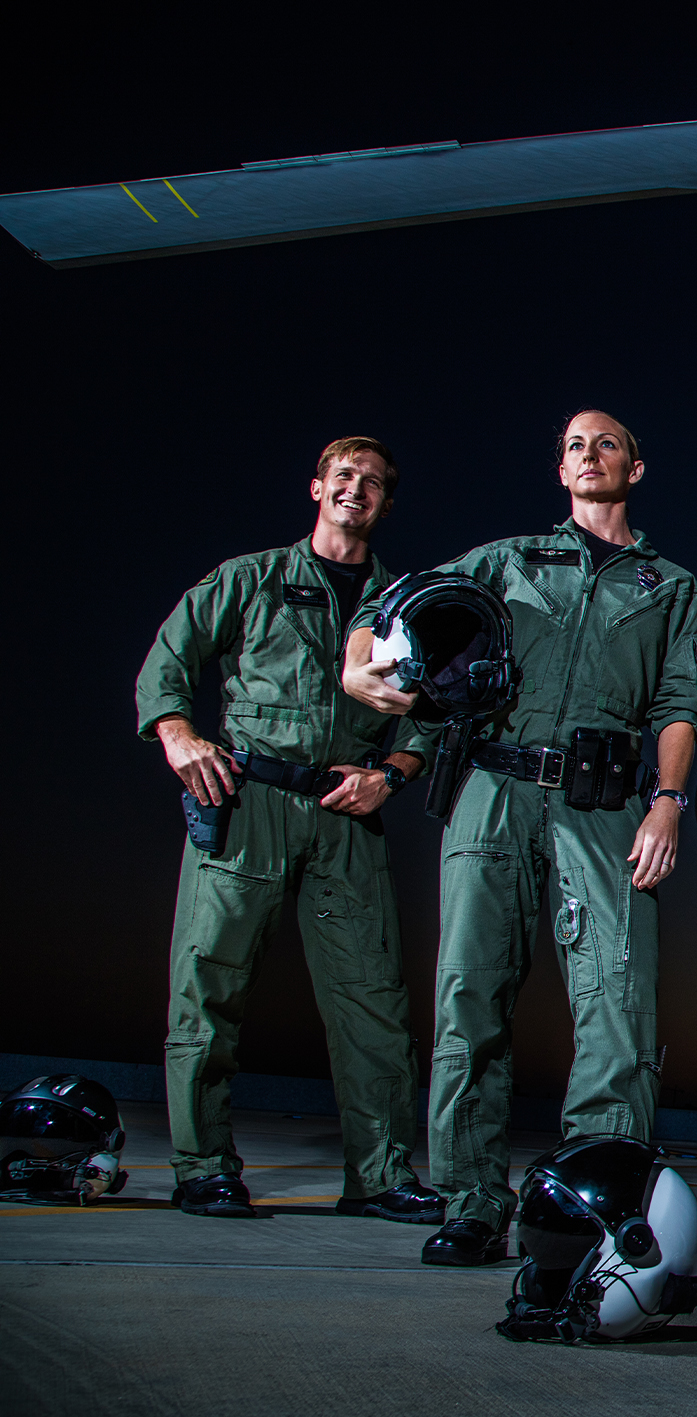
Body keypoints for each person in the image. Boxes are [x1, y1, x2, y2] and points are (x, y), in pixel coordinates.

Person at [342, 410, 697, 1265]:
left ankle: (600, 1204)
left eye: (608, 443)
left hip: (608, 801)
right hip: (495, 790)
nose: (590, 455)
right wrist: (362, 663)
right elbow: (388, 606)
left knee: (618, 1005)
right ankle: (471, 1199)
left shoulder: (670, 585)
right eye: (575, 446)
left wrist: (667, 803)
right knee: (469, 997)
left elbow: (682, 705)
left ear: (636, 466)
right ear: (561, 471)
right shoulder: (506, 560)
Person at [136, 436, 440, 1222]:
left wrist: (392, 775)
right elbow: (169, 659)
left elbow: (433, 710)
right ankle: (202, 1165)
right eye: (344, 477)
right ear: (316, 488)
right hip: (248, 804)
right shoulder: (252, 578)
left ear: (386, 503)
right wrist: (179, 735)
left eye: (373, 483)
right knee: (208, 987)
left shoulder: (401, 603)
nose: (356, 490)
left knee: (373, 1001)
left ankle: (378, 1177)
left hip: (346, 814)